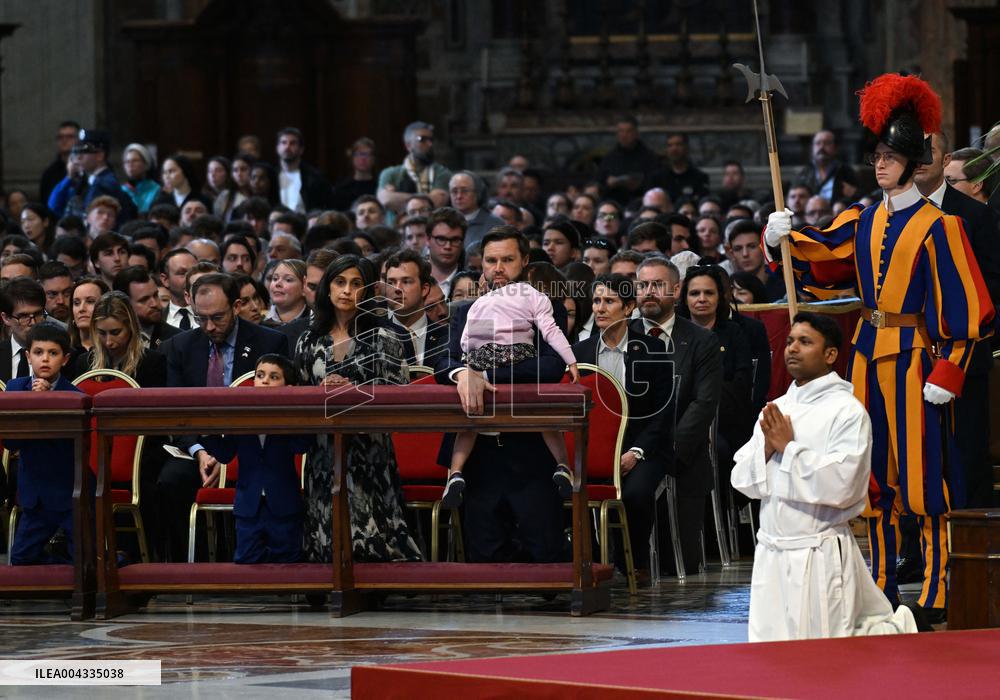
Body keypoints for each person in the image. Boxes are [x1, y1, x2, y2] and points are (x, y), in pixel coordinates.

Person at [764, 74, 994, 621]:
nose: (880, 165)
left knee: (924, 475)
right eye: (877, 157)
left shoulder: (942, 227)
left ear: (915, 162)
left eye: (891, 157)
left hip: (916, 357)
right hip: (867, 352)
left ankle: (938, 588)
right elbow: (823, 258)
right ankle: (884, 583)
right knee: (876, 475)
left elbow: (967, 307)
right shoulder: (864, 219)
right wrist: (784, 241)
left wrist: (949, 370)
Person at [733, 313, 917, 639]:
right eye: (790, 341)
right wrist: (765, 451)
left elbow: (843, 486)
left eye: (805, 342)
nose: (793, 348)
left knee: (822, 656)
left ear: (830, 354)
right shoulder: (777, 408)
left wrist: (788, 450)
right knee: (769, 654)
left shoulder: (846, 411)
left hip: (818, 554)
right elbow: (741, 480)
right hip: (771, 554)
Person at [433, 226, 568, 563]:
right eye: (491, 261)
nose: (498, 268)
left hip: (531, 445)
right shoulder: (469, 310)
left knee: (545, 552)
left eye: (507, 260)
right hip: (479, 451)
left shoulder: (541, 305)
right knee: (484, 556)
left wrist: (484, 375)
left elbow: (550, 367)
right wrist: (463, 373)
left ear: (524, 261)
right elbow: (444, 361)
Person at [293, 255, 422, 563]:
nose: (346, 291)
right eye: (339, 282)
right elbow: (296, 393)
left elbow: (398, 394)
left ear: (367, 291)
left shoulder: (385, 334)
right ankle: (328, 575)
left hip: (370, 447)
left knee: (372, 519)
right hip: (324, 447)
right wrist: (319, 392)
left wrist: (355, 391)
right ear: (327, 288)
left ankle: (378, 580)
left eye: (356, 284)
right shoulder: (308, 339)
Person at [159, 273, 289, 562]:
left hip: (254, 447)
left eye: (217, 317)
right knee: (170, 480)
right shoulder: (179, 347)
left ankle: (266, 559)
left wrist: (232, 457)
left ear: (237, 306)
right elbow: (176, 411)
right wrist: (200, 451)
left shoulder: (271, 343)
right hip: (199, 447)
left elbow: (278, 411)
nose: (209, 326)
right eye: (201, 318)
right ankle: (196, 566)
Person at [439, 255, 581, 510]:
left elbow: (470, 343)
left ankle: (454, 473)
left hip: (487, 366)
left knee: (473, 416)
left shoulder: (483, 303)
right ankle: (563, 465)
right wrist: (572, 361)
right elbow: (552, 334)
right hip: (517, 355)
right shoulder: (523, 299)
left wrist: (475, 371)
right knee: (541, 414)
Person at [914, 131, 1000, 510]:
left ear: (945, 158)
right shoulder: (889, 213)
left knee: (967, 451)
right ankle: (916, 546)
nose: (917, 157)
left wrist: (967, 333)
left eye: (927, 150)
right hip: (910, 352)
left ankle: (972, 550)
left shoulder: (976, 215)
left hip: (964, 353)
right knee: (913, 451)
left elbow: (994, 283)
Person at [572, 273, 674, 581]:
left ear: (629, 308)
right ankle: (581, 564)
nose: (600, 308)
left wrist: (636, 451)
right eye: (597, 301)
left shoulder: (653, 349)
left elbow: (663, 413)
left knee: (636, 492)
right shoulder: (580, 353)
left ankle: (636, 563)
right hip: (592, 449)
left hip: (641, 447)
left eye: (610, 301)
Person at [633, 257, 722, 573]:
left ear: (675, 289)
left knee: (677, 564)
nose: (649, 293)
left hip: (681, 452)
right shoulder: (622, 336)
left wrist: (666, 450)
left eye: (657, 285)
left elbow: (704, 403)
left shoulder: (701, 340)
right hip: (631, 453)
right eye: (643, 285)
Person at [198, 354, 311, 564]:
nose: (264, 381)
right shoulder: (239, 415)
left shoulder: (291, 418)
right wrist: (208, 432)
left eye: (274, 377)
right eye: (260, 375)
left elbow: (301, 445)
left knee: (288, 558)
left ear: (288, 387)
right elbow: (225, 455)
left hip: (283, 502)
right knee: (246, 559)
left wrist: (291, 416)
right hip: (249, 503)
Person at [5, 323, 84, 565]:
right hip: (35, 495)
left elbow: (70, 443)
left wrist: (50, 401)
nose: (45, 359)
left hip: (70, 492)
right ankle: (58, 570)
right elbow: (10, 441)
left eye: (53, 353)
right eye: (38, 352)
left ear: (66, 358)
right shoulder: (15, 389)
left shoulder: (75, 396)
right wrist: (32, 402)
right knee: (21, 559)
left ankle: (117, 563)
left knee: (84, 560)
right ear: (28, 356)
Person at [74, 290, 167, 387]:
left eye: (115, 332)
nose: (108, 342)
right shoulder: (85, 362)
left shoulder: (152, 362)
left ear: (131, 327)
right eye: (102, 333)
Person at [377, 121, 452, 214]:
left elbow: (438, 201)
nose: (429, 144)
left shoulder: (442, 173)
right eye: (422, 139)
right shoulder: (391, 173)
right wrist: (428, 198)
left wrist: (396, 197)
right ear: (408, 145)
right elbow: (386, 199)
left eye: (431, 139)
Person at [596, 115, 662, 205]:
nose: (624, 135)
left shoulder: (649, 157)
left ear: (636, 133)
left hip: (640, 208)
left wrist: (639, 185)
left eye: (628, 131)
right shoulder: (609, 158)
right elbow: (599, 183)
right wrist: (609, 184)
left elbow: (656, 186)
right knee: (606, 217)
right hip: (614, 209)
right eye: (621, 131)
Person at [113, 266, 180, 351]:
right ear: (124, 304)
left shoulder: (177, 339)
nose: (155, 304)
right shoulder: (110, 339)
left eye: (155, 295)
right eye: (144, 300)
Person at [1, 277, 50, 382]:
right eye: (23, 316)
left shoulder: (63, 356)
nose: (33, 323)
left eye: (38, 314)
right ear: (6, 318)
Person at [275, 127, 333, 212]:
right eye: (283, 143)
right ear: (277, 148)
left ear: (301, 149)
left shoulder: (315, 178)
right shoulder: (270, 175)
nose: (287, 147)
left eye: (292, 143)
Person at [794, 130, 859, 203]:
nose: (821, 147)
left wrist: (842, 202)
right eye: (818, 143)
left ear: (835, 148)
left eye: (827, 143)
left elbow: (858, 197)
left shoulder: (846, 172)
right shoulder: (804, 173)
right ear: (812, 148)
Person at [449, 171, 505, 249]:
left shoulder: (495, 225)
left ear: (477, 193)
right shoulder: (444, 223)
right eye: (454, 191)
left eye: (464, 191)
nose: (459, 196)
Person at [650, 133, 709, 204]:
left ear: (686, 148)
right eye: (670, 145)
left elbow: (703, 202)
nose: (674, 149)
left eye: (678, 144)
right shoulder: (657, 178)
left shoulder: (700, 177)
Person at [68, 276, 109, 360]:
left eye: (90, 301)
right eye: (76, 303)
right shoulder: (64, 351)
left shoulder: (115, 350)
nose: (81, 308)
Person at [331, 137, 378, 211]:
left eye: (367, 154)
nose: (363, 158)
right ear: (352, 158)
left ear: (374, 159)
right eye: (359, 154)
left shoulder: (379, 186)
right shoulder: (341, 188)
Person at [39, 121, 80, 204]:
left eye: (69, 136)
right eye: (60, 137)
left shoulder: (87, 167)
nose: (64, 140)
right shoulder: (49, 173)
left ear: (78, 139)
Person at [120, 143, 161, 214]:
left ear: (145, 164)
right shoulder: (121, 190)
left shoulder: (156, 189)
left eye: (134, 161)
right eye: (127, 162)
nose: (130, 164)